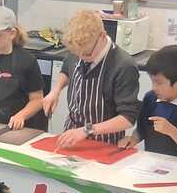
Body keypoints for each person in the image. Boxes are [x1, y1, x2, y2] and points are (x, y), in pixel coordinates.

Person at [42, 9, 140, 148]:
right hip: (71, 135)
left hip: (104, 141)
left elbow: (127, 118)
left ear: (102, 36)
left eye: (87, 54)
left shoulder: (123, 65)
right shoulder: (79, 47)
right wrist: (56, 90)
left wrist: (86, 130)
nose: (81, 58)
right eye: (77, 54)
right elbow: (66, 69)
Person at [119, 44, 177, 158]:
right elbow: (141, 130)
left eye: (159, 83)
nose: (154, 88)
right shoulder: (150, 98)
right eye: (152, 82)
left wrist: (171, 131)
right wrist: (133, 139)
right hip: (152, 161)